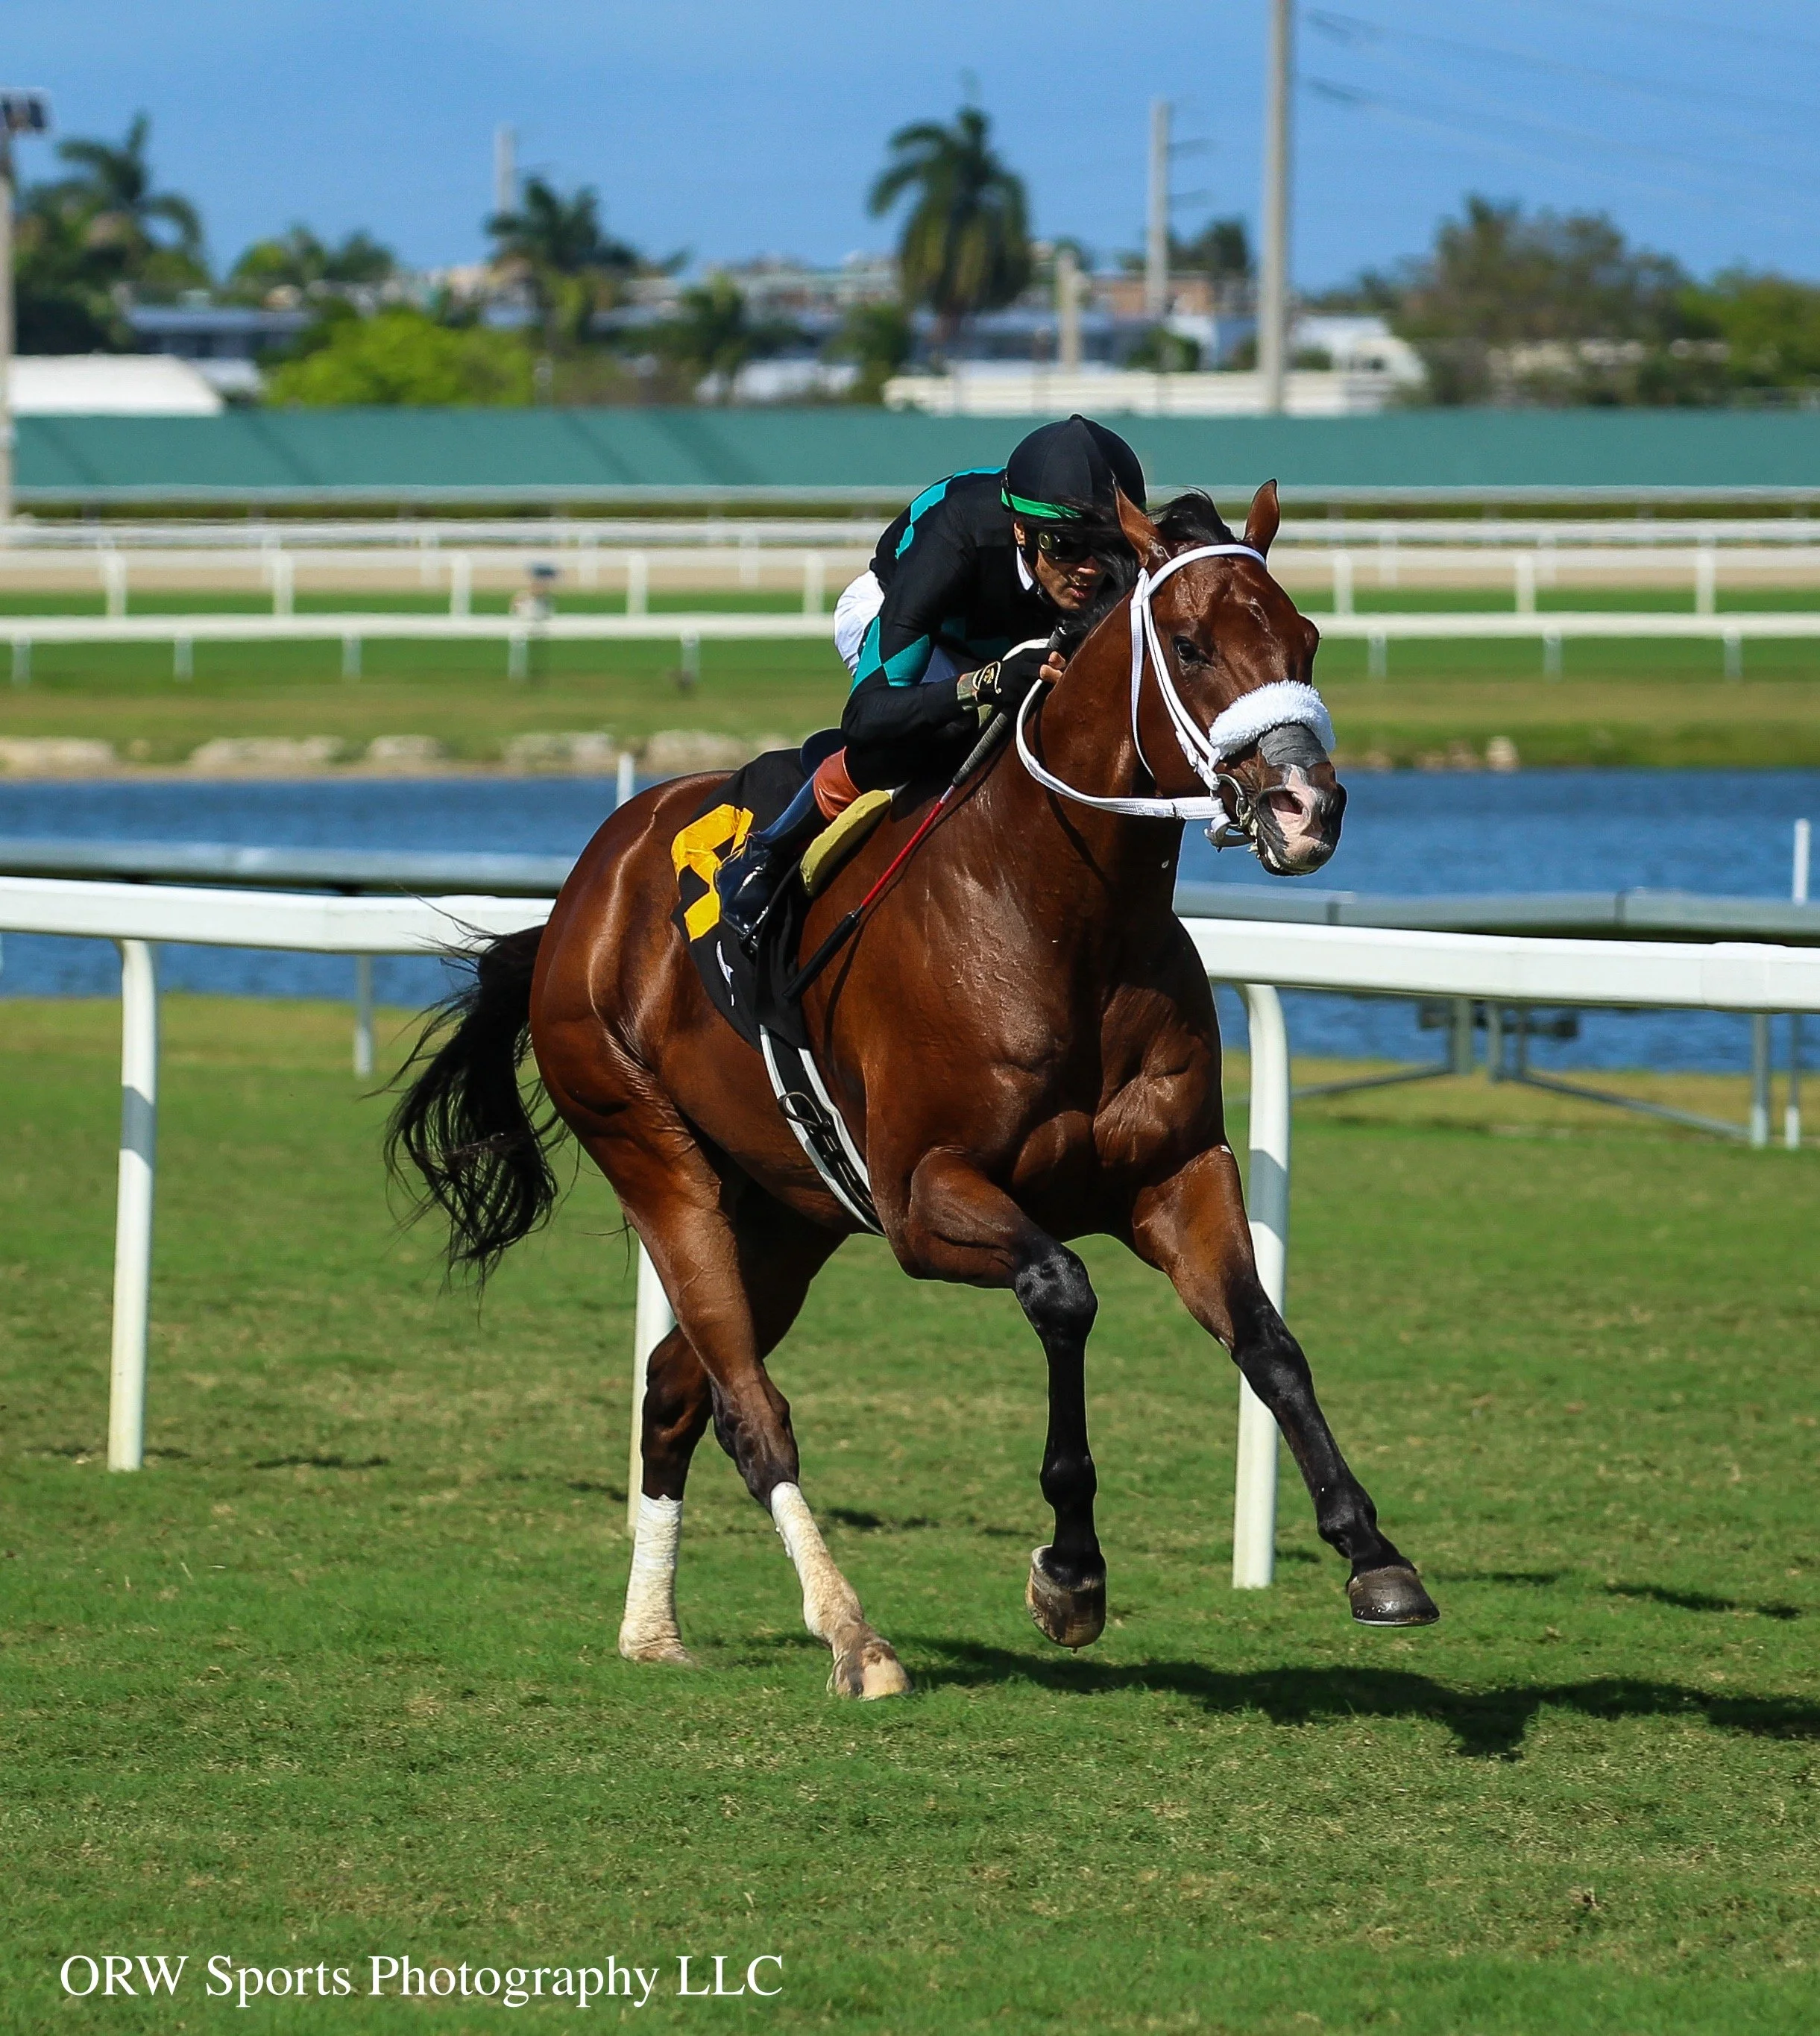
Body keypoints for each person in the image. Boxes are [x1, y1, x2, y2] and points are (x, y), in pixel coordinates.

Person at [714, 414, 1146, 952]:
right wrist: (984, 684)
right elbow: (869, 715)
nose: (1089, 569)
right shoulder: (957, 533)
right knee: (941, 734)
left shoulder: (1119, 561)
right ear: (1020, 530)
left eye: (1106, 548)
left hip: (1011, 638)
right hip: (909, 619)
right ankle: (768, 852)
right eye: (1064, 545)